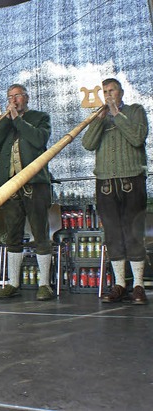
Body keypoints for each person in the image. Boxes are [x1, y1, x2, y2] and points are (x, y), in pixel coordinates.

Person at [81, 78, 149, 305]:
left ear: (121, 92)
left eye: (112, 91)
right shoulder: (99, 117)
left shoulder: (135, 111)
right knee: (112, 234)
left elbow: (137, 138)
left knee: (133, 232)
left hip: (132, 179)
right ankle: (120, 284)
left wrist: (115, 113)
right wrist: (99, 119)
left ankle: (138, 286)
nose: (108, 94)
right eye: (105, 91)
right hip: (105, 182)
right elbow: (88, 144)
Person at [0, 84, 54, 301]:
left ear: (26, 97)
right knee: (12, 235)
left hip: (35, 184)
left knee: (40, 233)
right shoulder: (5, 121)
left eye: (17, 96)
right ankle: (13, 283)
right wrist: (6, 121)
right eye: (9, 97)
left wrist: (17, 119)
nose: (13, 100)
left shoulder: (40, 117)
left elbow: (38, 140)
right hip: (10, 186)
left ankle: (45, 284)